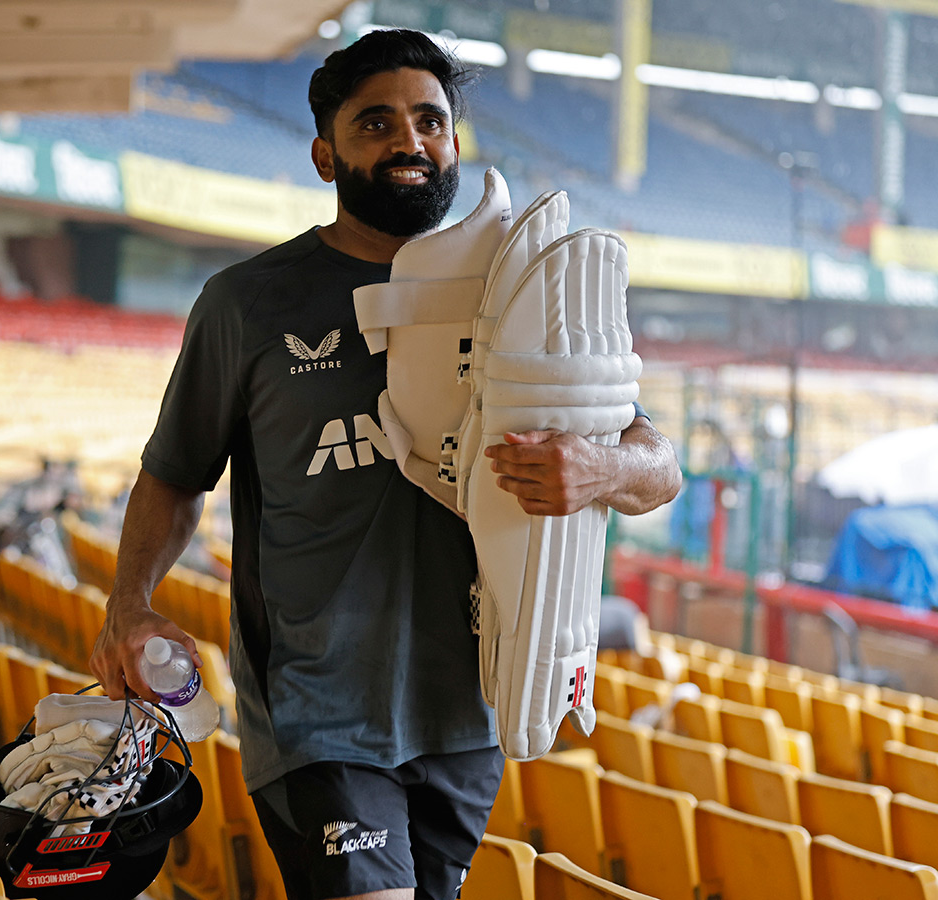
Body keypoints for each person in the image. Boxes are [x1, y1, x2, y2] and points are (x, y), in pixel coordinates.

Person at [90, 29, 681, 900]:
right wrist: (128, 606)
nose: (409, 141)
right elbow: (175, 476)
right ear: (327, 155)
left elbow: (658, 464)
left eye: (429, 121)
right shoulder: (248, 305)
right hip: (316, 714)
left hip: (469, 711)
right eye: (376, 124)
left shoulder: (516, 298)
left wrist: (599, 469)